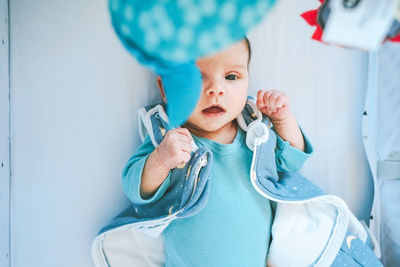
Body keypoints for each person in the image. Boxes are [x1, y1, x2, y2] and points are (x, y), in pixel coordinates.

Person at [121, 37, 313, 267]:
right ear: (165, 88)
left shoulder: (255, 134)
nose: (215, 90)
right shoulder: (169, 141)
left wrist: (283, 121)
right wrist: (161, 160)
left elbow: (291, 161)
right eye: (197, 78)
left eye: (231, 77)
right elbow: (135, 190)